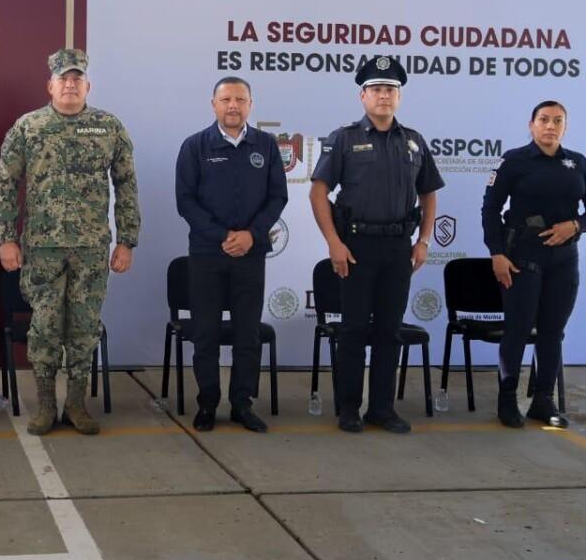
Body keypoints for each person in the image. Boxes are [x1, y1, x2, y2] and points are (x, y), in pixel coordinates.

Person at [0, 48, 140, 436]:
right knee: (44, 326)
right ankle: (45, 405)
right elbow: (6, 185)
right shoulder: (28, 127)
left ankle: (76, 404)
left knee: (84, 327)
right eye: (63, 78)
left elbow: (126, 185)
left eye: (77, 78)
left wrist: (127, 241)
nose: (70, 84)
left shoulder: (108, 127)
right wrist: (6, 238)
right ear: (50, 85)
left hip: (91, 248)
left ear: (87, 85)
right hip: (42, 248)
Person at [309, 55, 443, 434]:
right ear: (362, 96)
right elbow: (319, 193)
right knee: (353, 330)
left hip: (398, 248)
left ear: (398, 97)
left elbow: (429, 194)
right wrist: (334, 243)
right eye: (377, 89)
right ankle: (349, 408)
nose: (384, 96)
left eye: (391, 90)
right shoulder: (345, 138)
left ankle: (382, 409)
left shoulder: (414, 142)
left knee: (389, 330)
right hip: (356, 247)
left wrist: (425, 240)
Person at [175, 76, 287, 433]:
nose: (233, 106)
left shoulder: (266, 146)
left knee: (247, 334)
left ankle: (242, 404)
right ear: (214, 105)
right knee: (206, 333)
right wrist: (223, 235)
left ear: (251, 104)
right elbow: (186, 201)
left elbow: (277, 198)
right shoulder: (194, 146)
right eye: (226, 100)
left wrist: (250, 236)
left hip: (250, 255)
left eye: (240, 99)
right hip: (208, 254)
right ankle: (208, 403)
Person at [482, 101, 583, 429]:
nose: (550, 126)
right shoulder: (514, 161)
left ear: (565, 127)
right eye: (544, 120)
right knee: (518, 329)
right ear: (531, 125)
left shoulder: (577, 163)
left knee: (553, 333)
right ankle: (507, 401)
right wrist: (496, 253)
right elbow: (490, 209)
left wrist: (577, 226)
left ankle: (543, 401)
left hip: (564, 260)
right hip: (521, 259)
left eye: (557, 121)